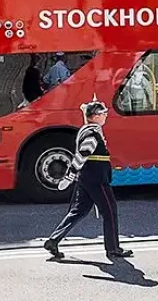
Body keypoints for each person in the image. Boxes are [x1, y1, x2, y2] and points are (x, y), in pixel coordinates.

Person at [43, 100, 133, 260]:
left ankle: (54, 240)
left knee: (79, 211)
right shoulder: (92, 133)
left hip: (87, 177)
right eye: (103, 113)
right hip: (96, 178)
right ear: (96, 116)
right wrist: (69, 176)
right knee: (110, 211)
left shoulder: (88, 130)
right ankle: (113, 249)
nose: (106, 115)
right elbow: (82, 155)